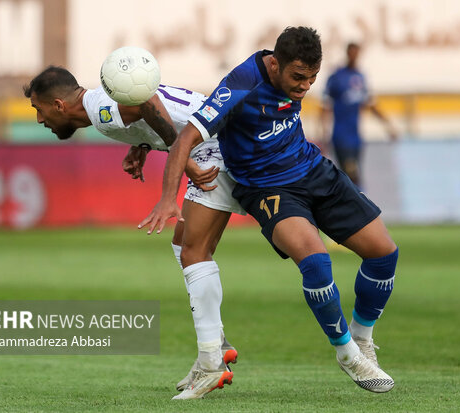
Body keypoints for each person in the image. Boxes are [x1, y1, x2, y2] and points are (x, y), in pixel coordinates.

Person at [141, 26, 399, 395]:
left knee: (384, 254)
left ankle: (362, 340)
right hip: (268, 188)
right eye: (298, 77)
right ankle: (346, 353)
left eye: (312, 78)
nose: (304, 87)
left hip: (311, 168)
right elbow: (185, 137)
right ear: (274, 65)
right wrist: (169, 197)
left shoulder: (293, 74)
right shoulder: (241, 85)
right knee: (315, 261)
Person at [24, 66, 242, 397]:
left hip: (215, 147)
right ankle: (215, 348)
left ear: (57, 105)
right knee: (186, 246)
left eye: (38, 110)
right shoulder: (102, 101)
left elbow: (145, 102)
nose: (40, 121)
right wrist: (143, 143)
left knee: (194, 251)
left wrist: (183, 158)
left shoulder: (99, 109)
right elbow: (153, 111)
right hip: (222, 140)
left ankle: (212, 360)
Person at [321, 42, 398, 187]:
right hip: (340, 137)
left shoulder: (360, 77)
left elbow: (370, 104)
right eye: (352, 52)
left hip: (356, 138)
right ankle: (355, 205)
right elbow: (325, 106)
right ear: (347, 53)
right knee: (352, 174)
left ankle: (349, 205)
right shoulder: (337, 77)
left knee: (349, 178)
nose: (354, 56)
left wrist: (388, 125)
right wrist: (323, 131)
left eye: (357, 53)